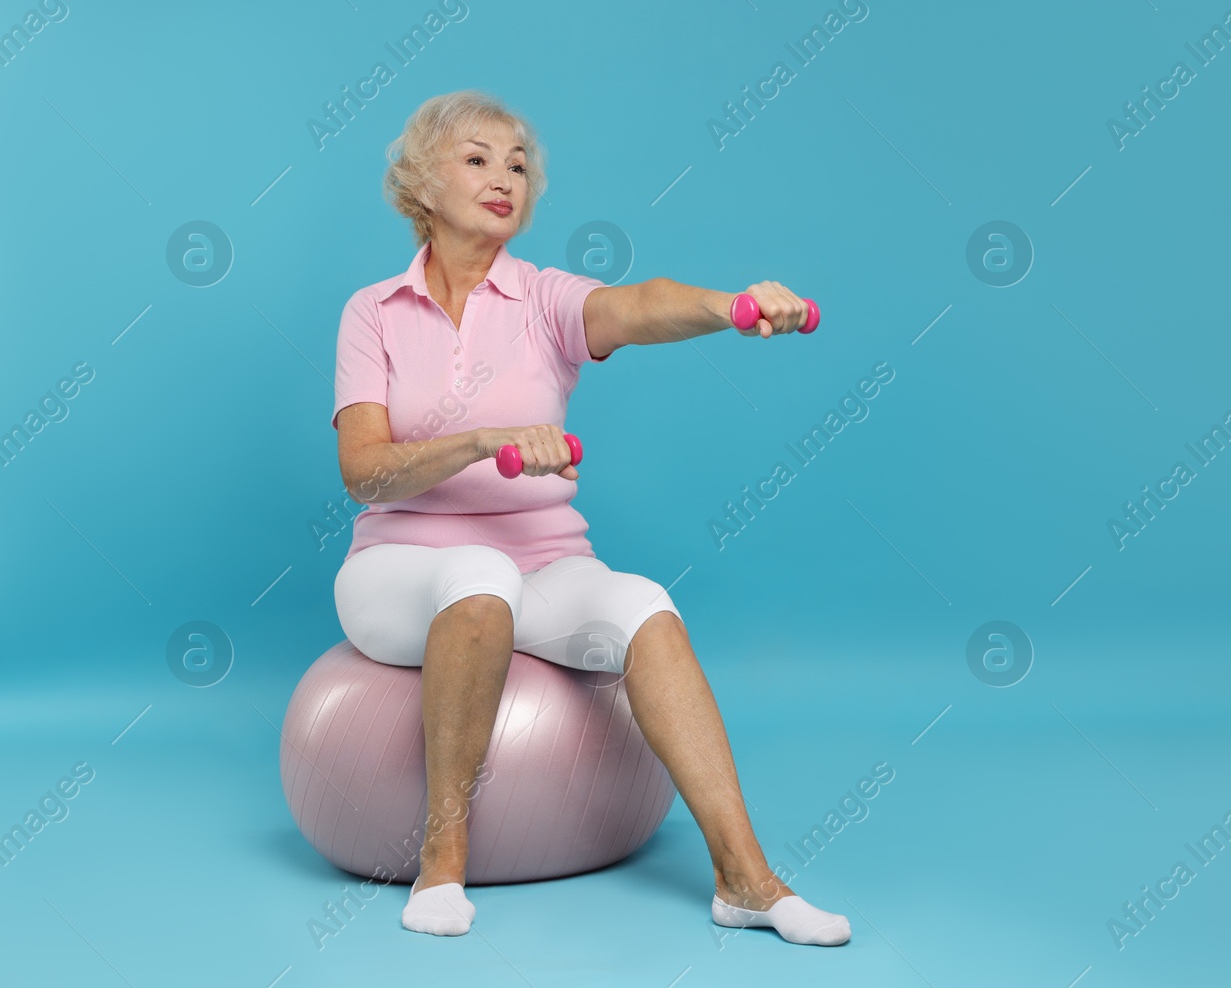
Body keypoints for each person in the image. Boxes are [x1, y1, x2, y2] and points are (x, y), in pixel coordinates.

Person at [329, 90, 848, 946]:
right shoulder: (371, 312)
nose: (506, 177)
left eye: (520, 163)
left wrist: (735, 305)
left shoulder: (542, 298)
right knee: (477, 570)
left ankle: (747, 879)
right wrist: (477, 442)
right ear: (421, 181)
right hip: (399, 567)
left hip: (543, 566)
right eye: (477, 158)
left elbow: (637, 306)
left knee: (643, 601)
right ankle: (443, 859)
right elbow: (364, 473)